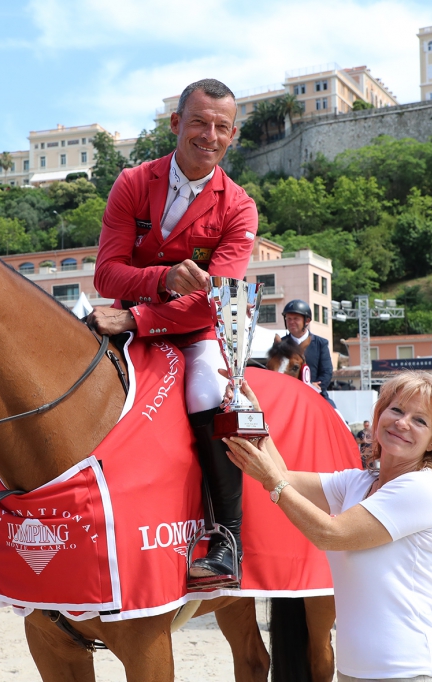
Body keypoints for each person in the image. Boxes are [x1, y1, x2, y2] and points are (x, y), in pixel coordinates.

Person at [88, 78, 257, 588]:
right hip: (121, 321)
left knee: (210, 391)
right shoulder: (133, 182)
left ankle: (228, 539)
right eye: (200, 122)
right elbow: (105, 274)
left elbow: (214, 302)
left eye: (221, 127)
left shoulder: (240, 207)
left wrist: (140, 317)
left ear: (232, 136)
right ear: (175, 124)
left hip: (188, 331)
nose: (209, 134)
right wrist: (161, 279)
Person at [223, 371, 432, 681]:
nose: (402, 423)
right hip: (352, 670)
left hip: (407, 669)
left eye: (420, 421)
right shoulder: (359, 482)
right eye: (396, 410)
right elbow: (287, 475)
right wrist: (256, 419)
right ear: (379, 416)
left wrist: (272, 482)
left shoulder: (423, 488)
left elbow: (330, 534)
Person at [281, 299, 334, 406]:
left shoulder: (321, 343)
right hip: (288, 396)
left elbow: (327, 371)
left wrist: (314, 386)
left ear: (307, 321)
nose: (291, 322)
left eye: (296, 319)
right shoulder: (280, 344)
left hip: (316, 394)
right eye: (289, 318)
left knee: (338, 416)